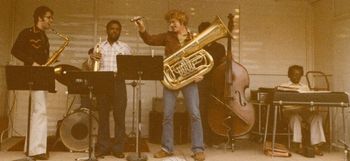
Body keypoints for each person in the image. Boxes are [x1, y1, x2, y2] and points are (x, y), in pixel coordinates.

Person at [135, 9, 205, 161]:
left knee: (195, 114)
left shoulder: (194, 37)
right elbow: (150, 40)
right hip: (171, 80)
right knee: (167, 115)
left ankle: (198, 149)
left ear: (182, 22)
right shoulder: (167, 37)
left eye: (173, 22)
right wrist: (142, 28)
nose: (170, 25)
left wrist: (200, 73)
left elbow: (200, 58)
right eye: (170, 22)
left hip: (189, 80)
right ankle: (167, 148)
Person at [11, 6, 54, 160]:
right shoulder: (27, 33)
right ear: (40, 18)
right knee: (39, 111)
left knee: (37, 111)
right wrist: (33, 63)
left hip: (41, 74)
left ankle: (32, 147)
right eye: (49, 17)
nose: (51, 21)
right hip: (31, 74)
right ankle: (37, 150)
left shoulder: (44, 37)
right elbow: (15, 50)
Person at [88, 20, 132, 158]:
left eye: (117, 29)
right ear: (107, 30)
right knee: (103, 116)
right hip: (103, 81)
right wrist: (92, 58)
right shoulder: (99, 46)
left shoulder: (125, 47)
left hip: (118, 81)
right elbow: (91, 67)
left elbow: (130, 68)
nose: (114, 31)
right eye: (112, 29)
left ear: (120, 31)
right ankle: (103, 146)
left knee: (119, 116)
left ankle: (118, 148)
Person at [278, 65, 326, 156]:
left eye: (299, 75)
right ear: (289, 75)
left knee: (317, 116)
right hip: (290, 112)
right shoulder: (283, 86)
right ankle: (298, 145)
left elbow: (309, 101)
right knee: (295, 117)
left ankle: (315, 146)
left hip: (303, 111)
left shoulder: (305, 87)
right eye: (294, 74)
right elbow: (280, 103)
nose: (297, 77)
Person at [197, 21, 226, 147]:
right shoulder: (197, 47)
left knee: (216, 111)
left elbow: (221, 63)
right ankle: (203, 139)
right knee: (202, 110)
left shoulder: (220, 47)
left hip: (217, 82)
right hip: (202, 81)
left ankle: (216, 138)